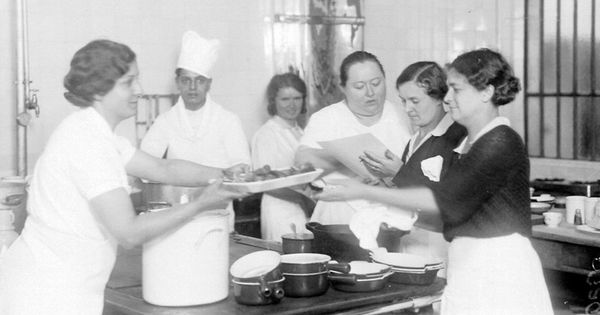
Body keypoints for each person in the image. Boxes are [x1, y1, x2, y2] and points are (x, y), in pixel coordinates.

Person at [0, 39, 247, 315]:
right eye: (129, 82)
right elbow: (129, 232)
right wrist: (201, 203)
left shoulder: (99, 135)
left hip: (64, 287)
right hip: (44, 292)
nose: (139, 91)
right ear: (99, 90)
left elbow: (163, 169)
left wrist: (224, 174)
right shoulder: (86, 141)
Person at [316, 49, 553, 314]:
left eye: (456, 89)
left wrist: (362, 191)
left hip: (499, 267)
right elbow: (451, 214)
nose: (447, 99)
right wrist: (392, 211)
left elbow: (441, 200)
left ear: (486, 92)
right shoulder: (473, 143)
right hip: (471, 262)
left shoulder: (500, 140)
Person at [360, 62, 467, 274]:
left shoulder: (457, 137)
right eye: (403, 101)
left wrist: (399, 172)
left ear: (439, 98)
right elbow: (409, 192)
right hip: (410, 240)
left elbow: (450, 200)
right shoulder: (414, 139)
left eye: (415, 101)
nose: (408, 109)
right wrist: (384, 181)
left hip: (440, 245)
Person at [140, 31, 251, 230]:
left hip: (219, 215)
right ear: (177, 83)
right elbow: (145, 167)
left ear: (209, 83)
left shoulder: (227, 120)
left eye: (199, 80)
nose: (192, 87)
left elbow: (243, 169)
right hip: (178, 215)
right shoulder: (165, 122)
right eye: (186, 80)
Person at [295, 50, 412, 225]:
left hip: (392, 218)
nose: (370, 92)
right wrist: (347, 158)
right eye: (359, 87)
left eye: (376, 83)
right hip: (338, 219)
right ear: (343, 88)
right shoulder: (327, 118)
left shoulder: (404, 116)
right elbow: (302, 162)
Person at [251, 73, 314, 241]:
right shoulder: (266, 134)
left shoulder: (300, 131)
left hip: (303, 208)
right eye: (285, 99)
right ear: (274, 101)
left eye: (297, 98)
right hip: (279, 210)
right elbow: (266, 183)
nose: (292, 105)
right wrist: (306, 200)